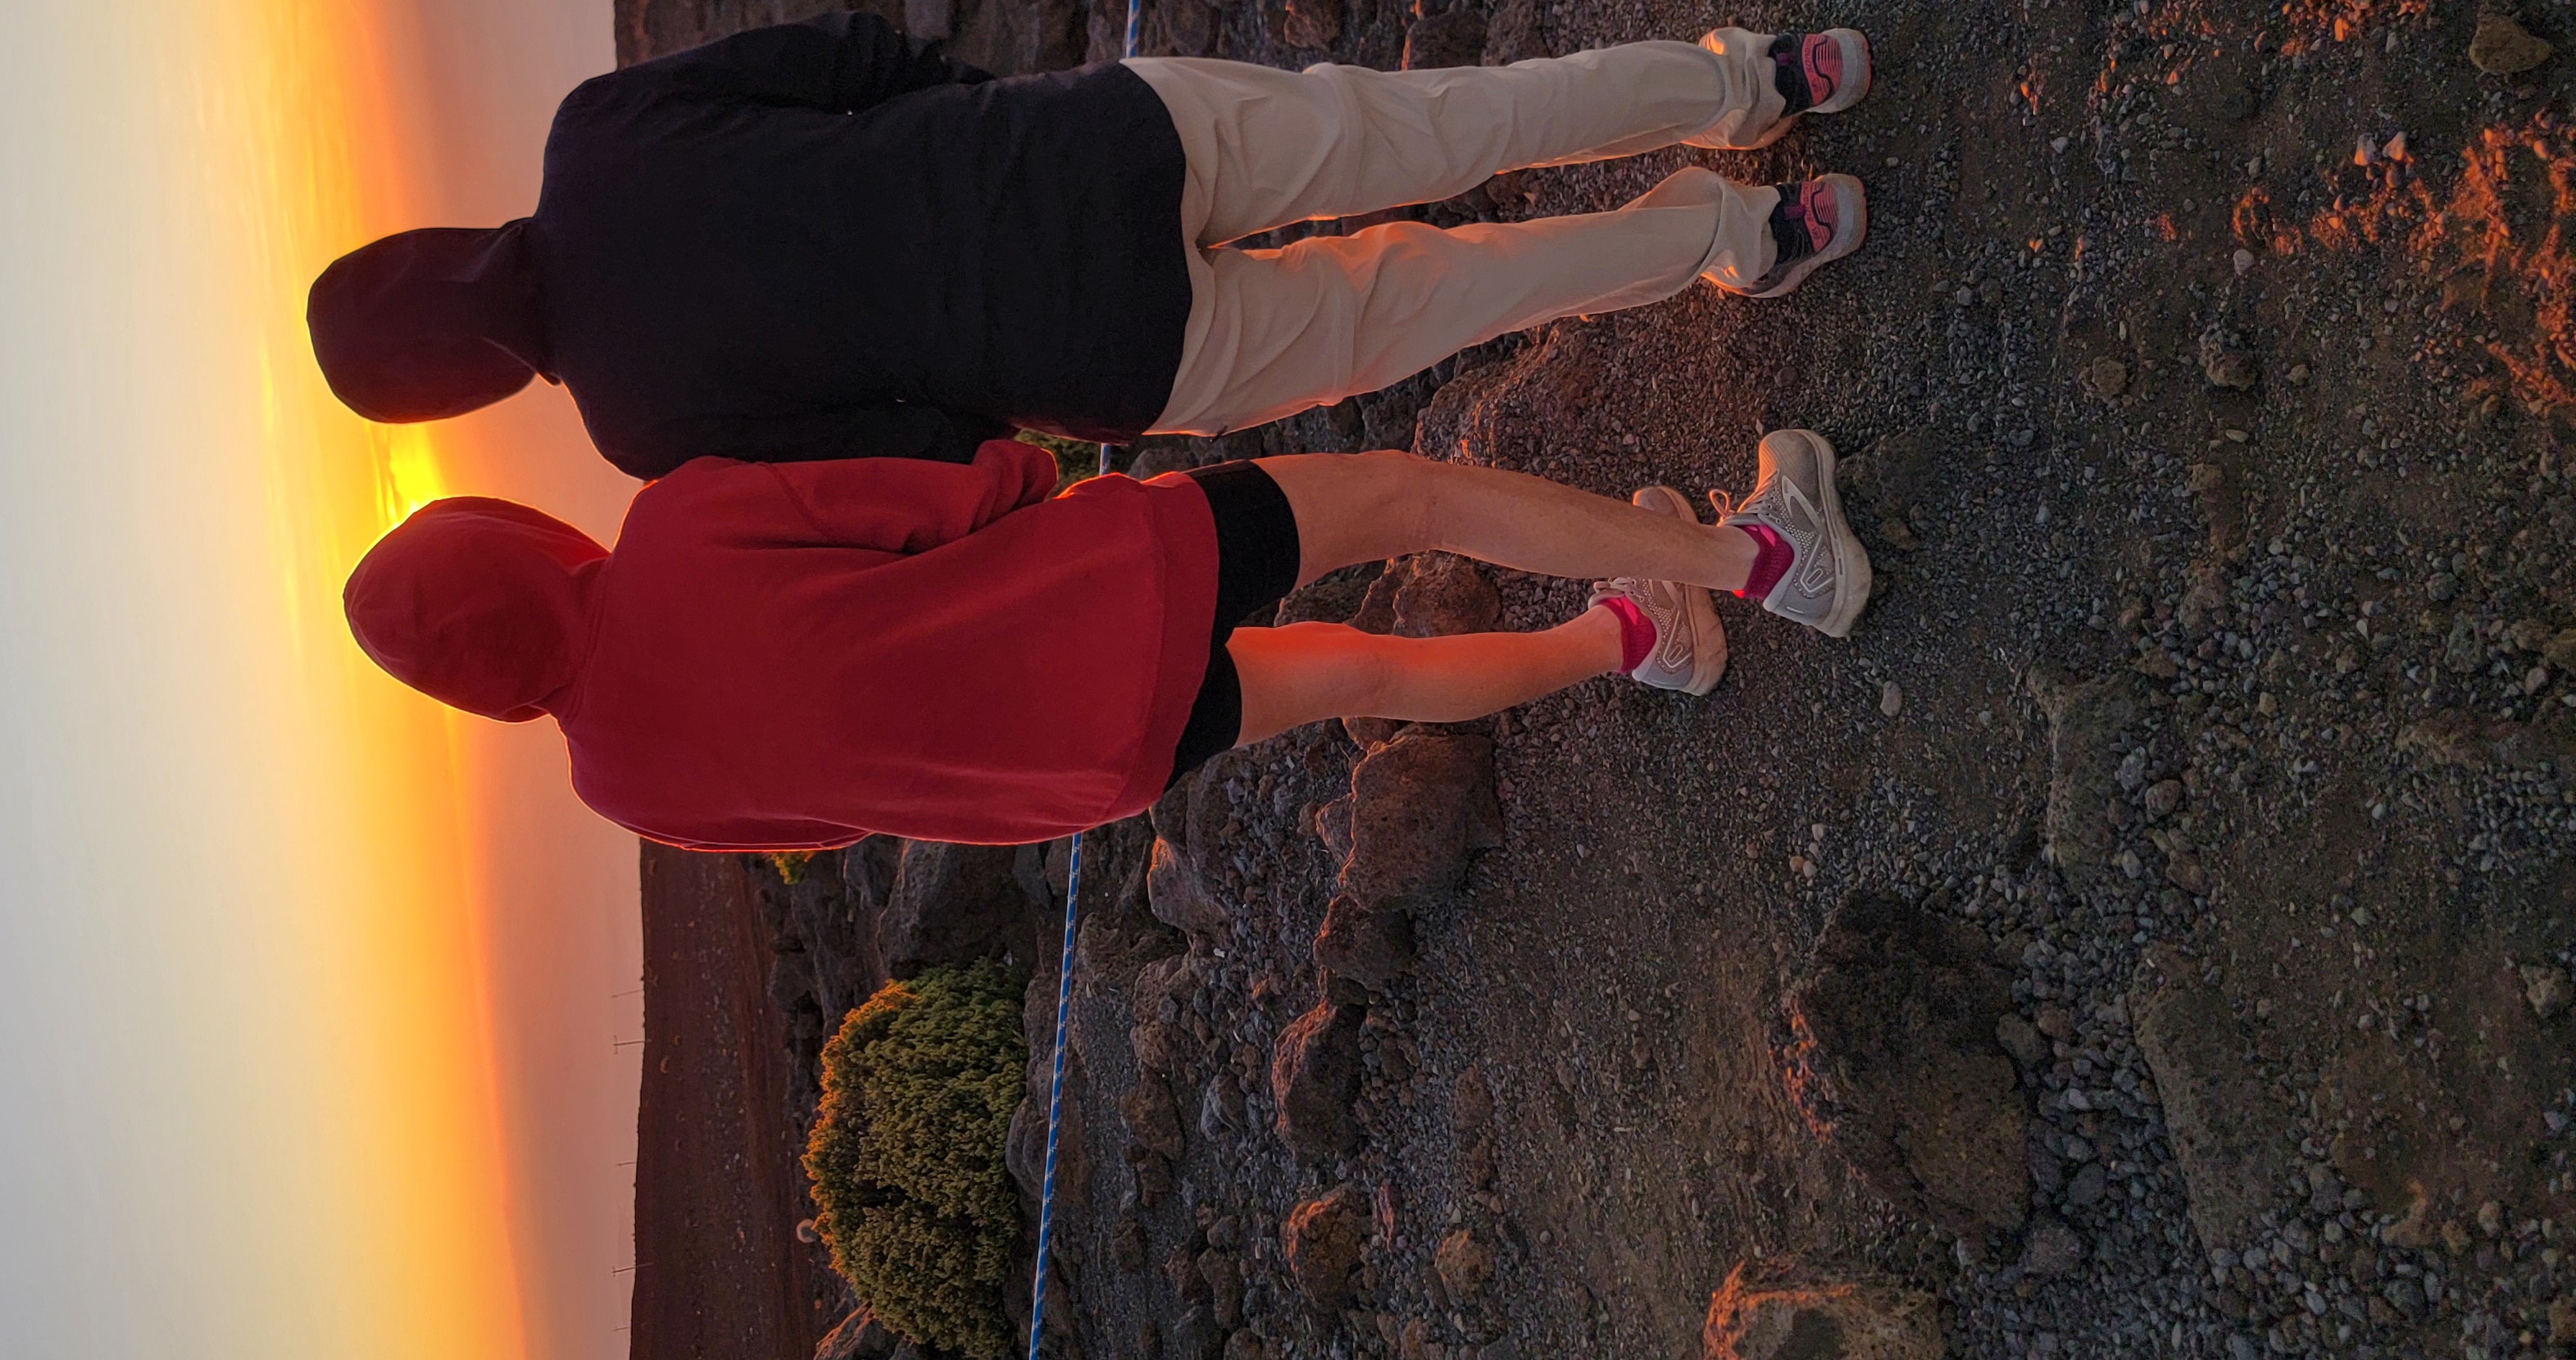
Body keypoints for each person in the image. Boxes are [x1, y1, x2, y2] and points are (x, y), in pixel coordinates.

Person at [306, 13, 1872, 479]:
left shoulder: (636, 429)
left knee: (1459, 294)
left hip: (1105, 352)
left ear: (459, 394)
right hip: (1097, 140)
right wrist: (988, 129)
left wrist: (1007, 381)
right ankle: (1752, 83)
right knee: (1445, 124)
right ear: (422, 244)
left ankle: (1746, 231)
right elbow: (849, 56)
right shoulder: (594, 135)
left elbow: (910, 444)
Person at [339, 428, 1869, 852]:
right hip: (1115, 577)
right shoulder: (671, 528)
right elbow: (958, 494)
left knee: (1371, 671)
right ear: (514, 540)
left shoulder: (615, 783)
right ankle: (1754, 560)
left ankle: (1636, 642)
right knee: (1411, 494)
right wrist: (1038, 478)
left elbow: (818, 822)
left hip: (1084, 760)